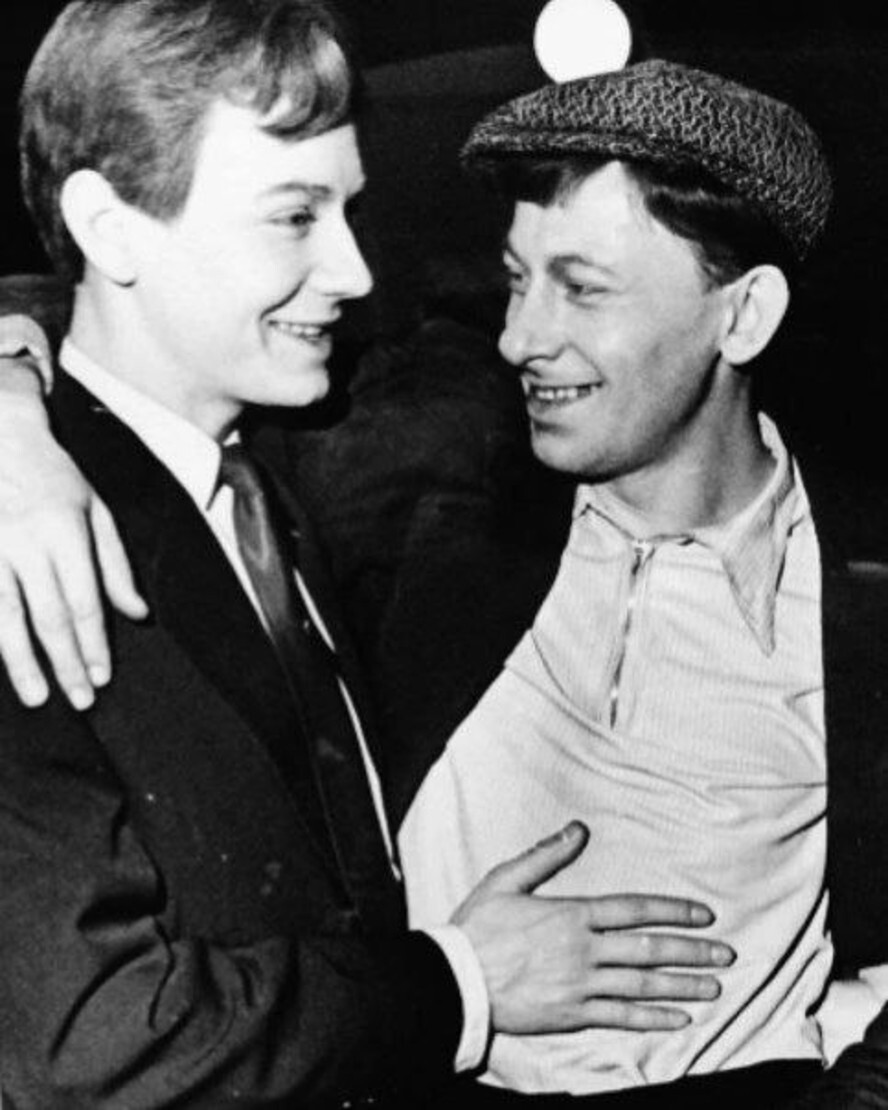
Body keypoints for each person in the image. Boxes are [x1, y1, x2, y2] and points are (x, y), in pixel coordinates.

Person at [0, 46, 885, 1110]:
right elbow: (134, 315)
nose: (520, 338)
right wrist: (11, 413)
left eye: (582, 289)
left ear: (742, 316)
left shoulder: (859, 592)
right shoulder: (412, 484)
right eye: (517, 279)